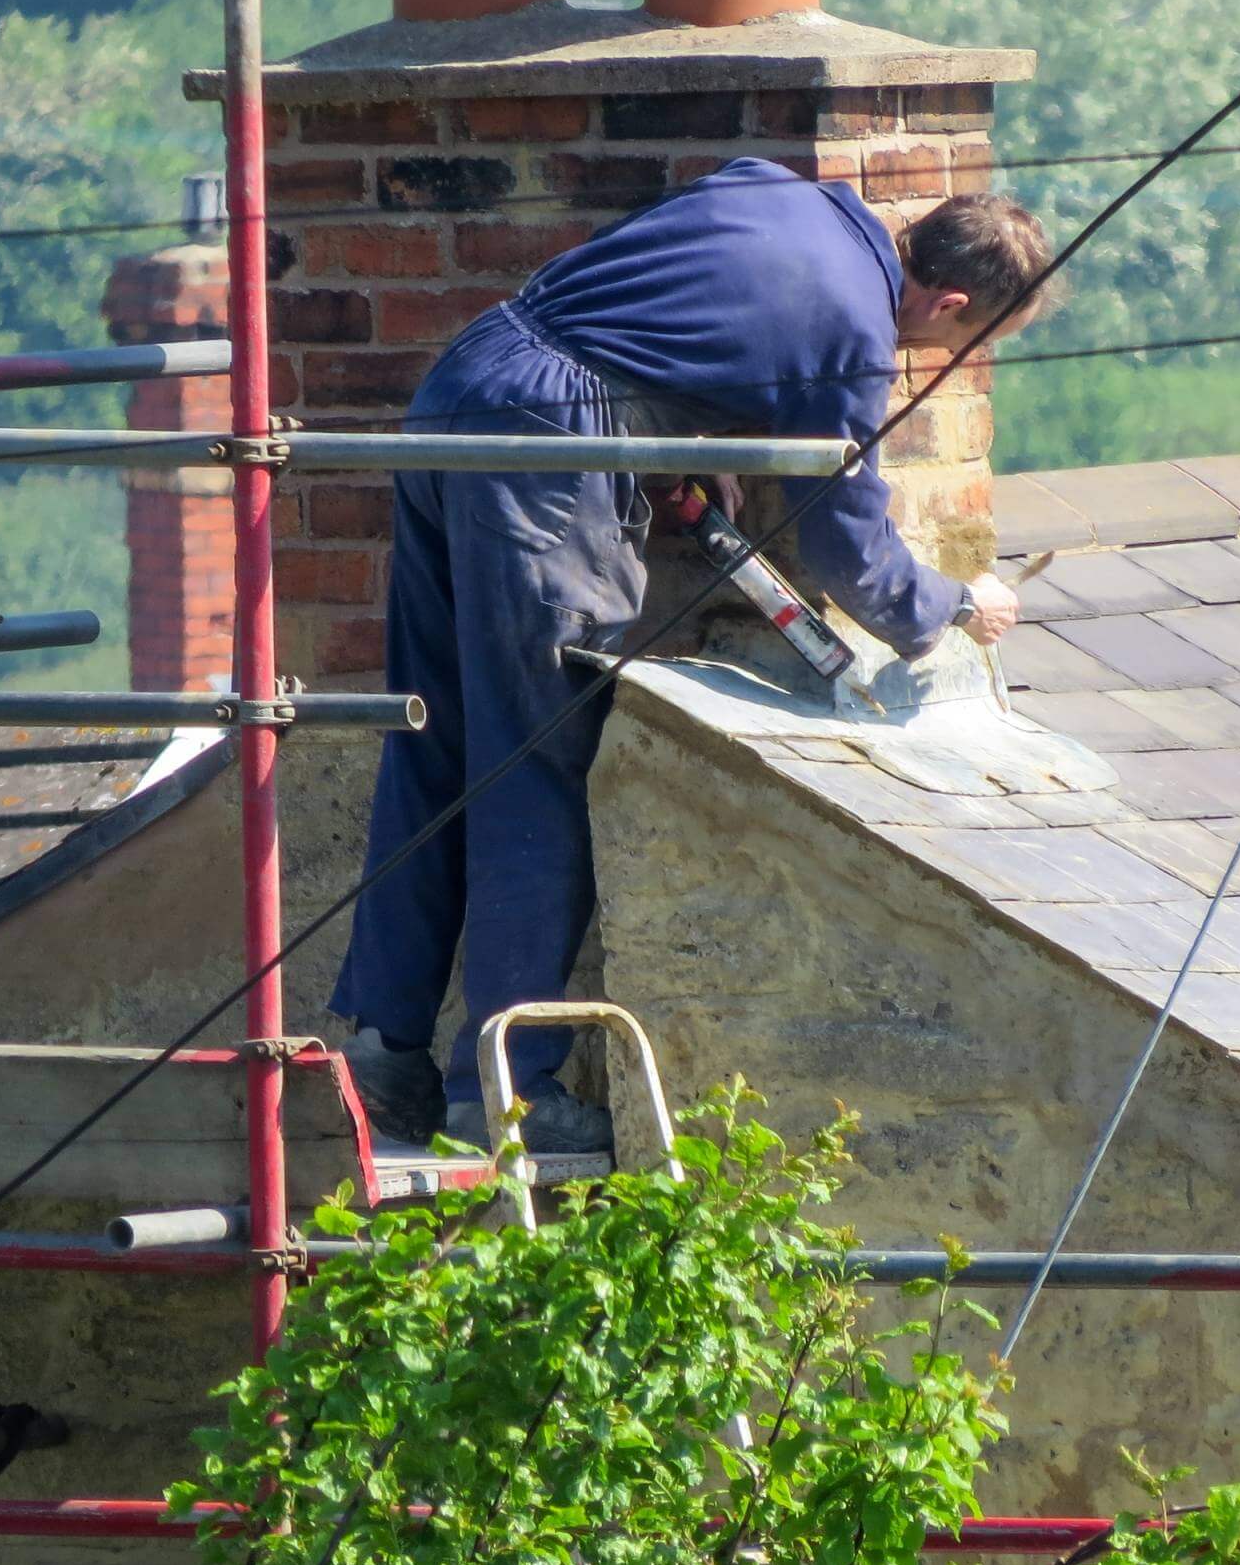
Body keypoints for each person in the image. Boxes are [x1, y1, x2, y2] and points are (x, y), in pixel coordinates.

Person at [331, 156, 1050, 1152]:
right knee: (533, 759)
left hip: (465, 383)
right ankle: (507, 1097)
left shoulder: (773, 188)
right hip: (551, 451)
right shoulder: (852, 334)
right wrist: (952, 606)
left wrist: (676, 431)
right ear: (953, 301)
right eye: (966, 341)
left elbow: (657, 315)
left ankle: (382, 1052)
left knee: (434, 732)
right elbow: (847, 545)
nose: (942, 359)